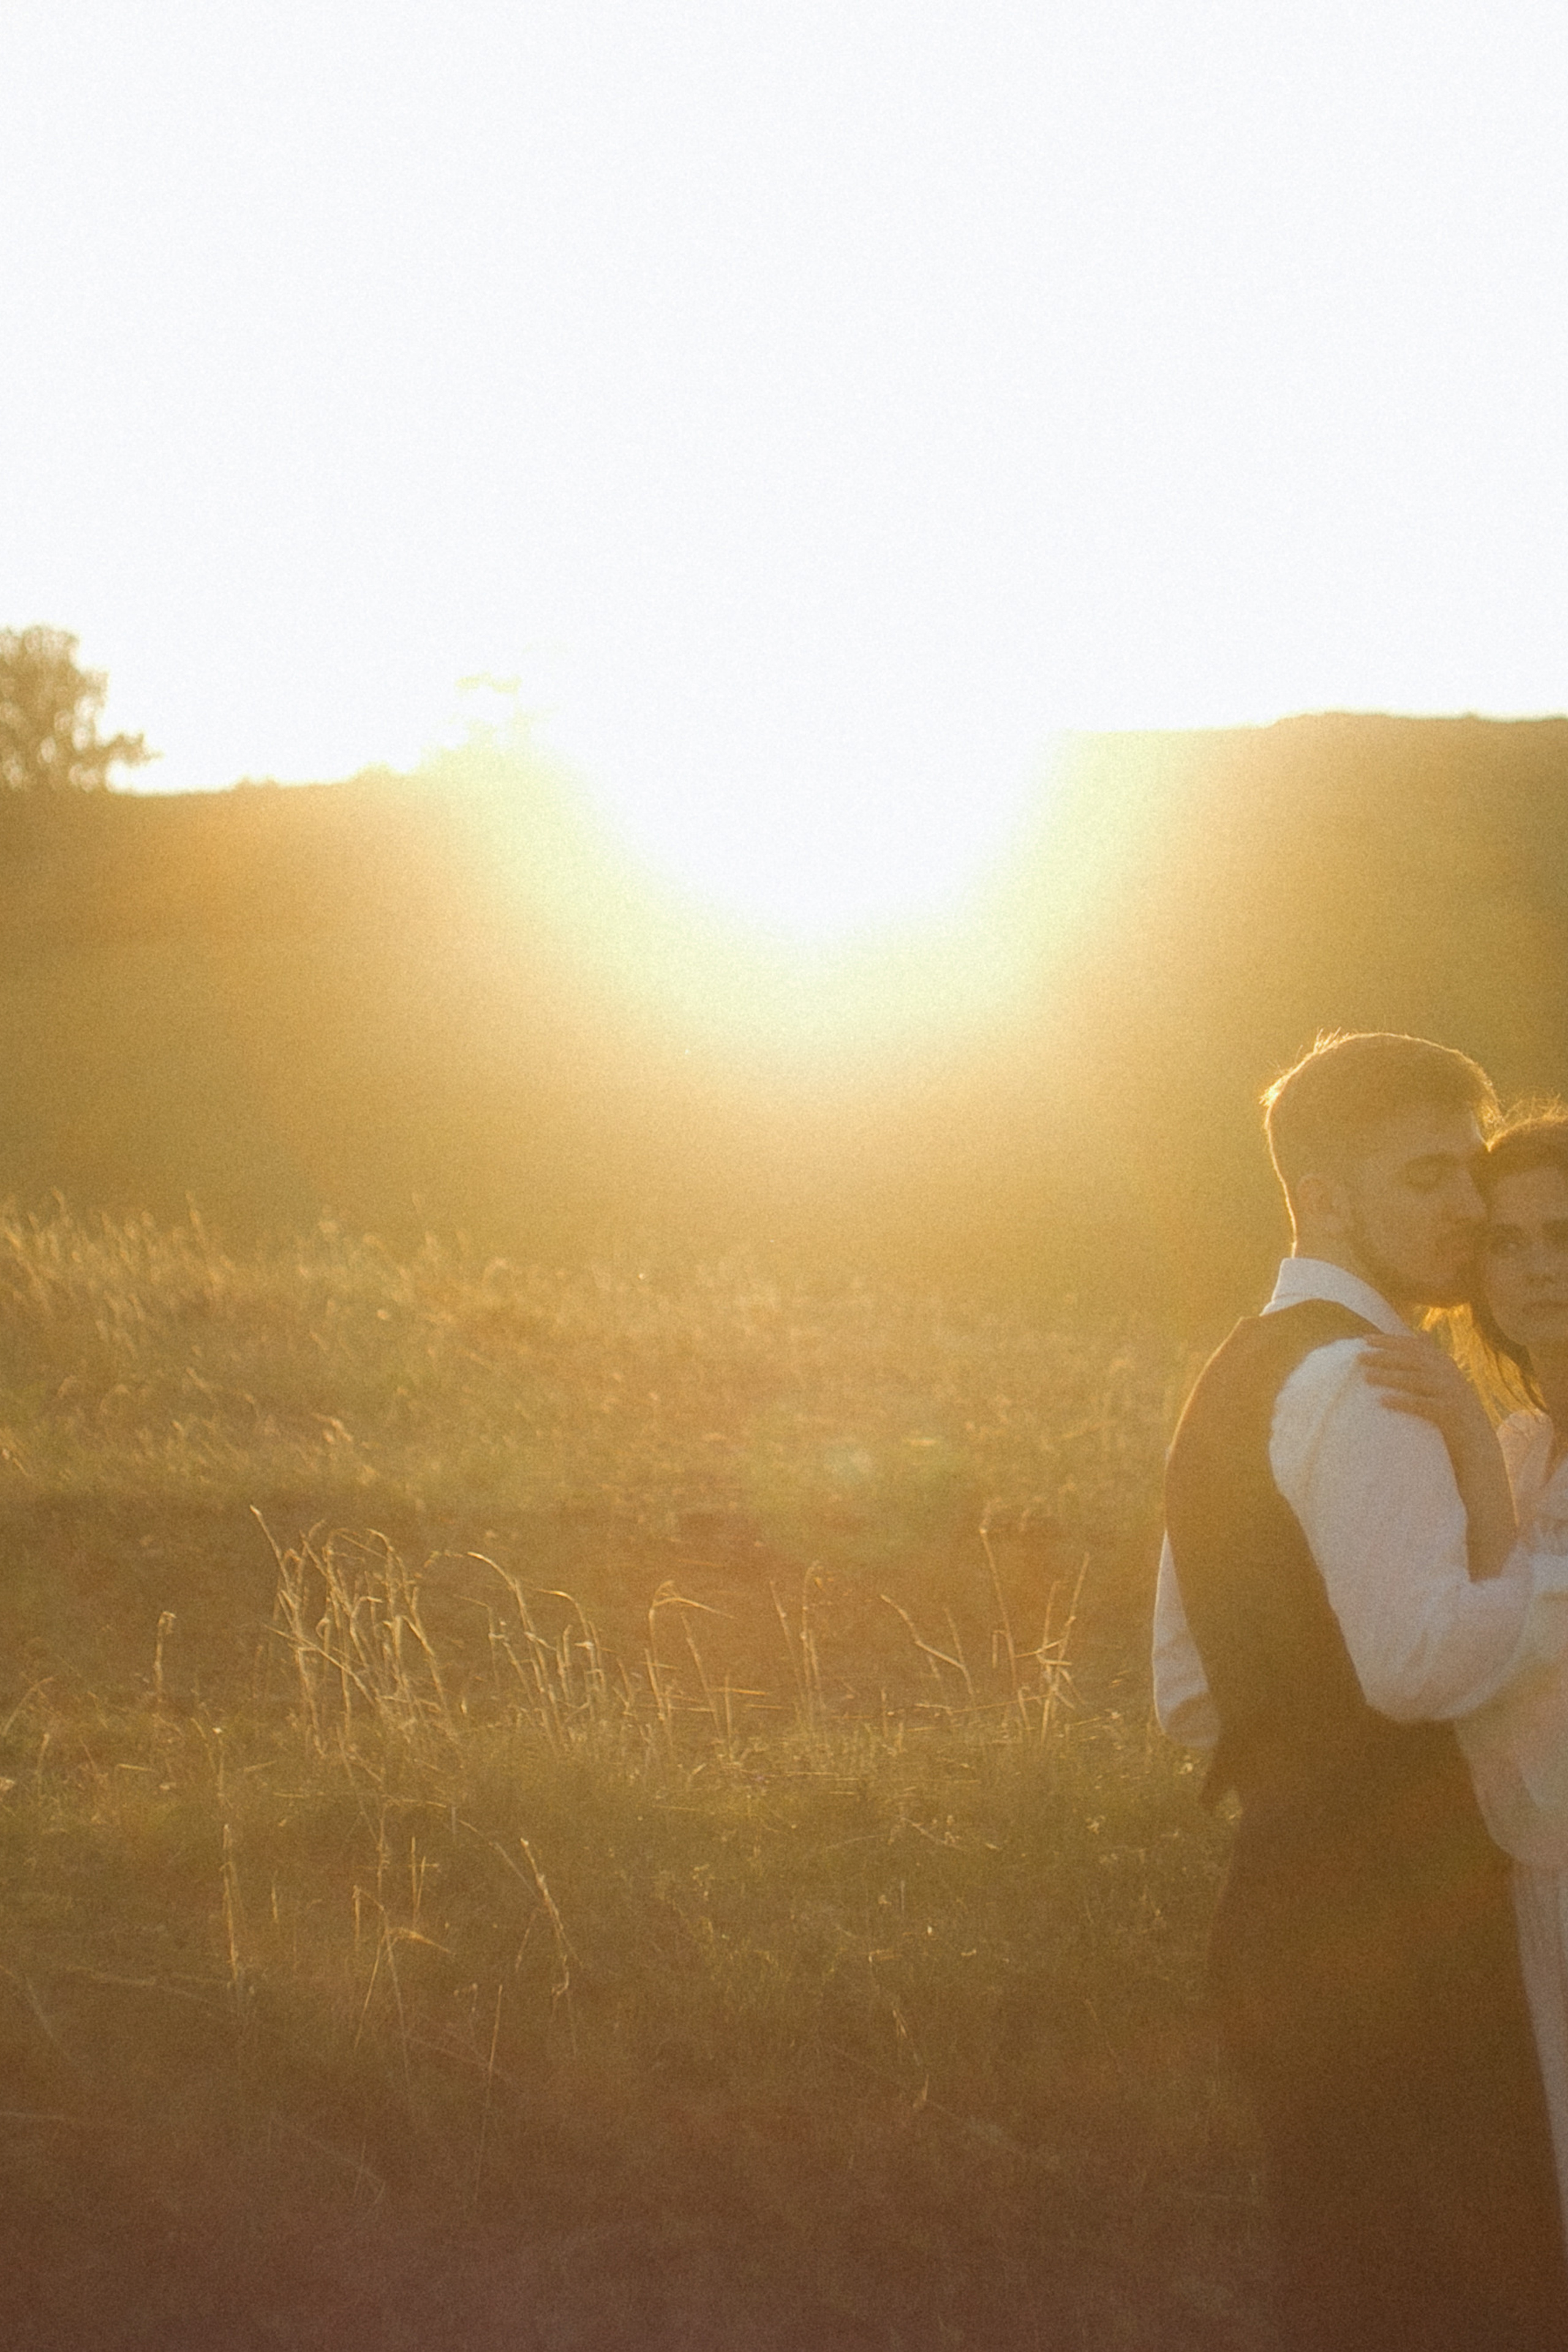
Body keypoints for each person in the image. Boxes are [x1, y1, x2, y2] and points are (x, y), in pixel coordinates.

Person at [1154, 1031, 1568, 2351]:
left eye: (1467, 1177)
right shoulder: (1373, 1383)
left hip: (1287, 1909)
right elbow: (1416, 1668)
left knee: (1347, 2287)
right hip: (1405, 1934)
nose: (1462, 1209)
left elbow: (1182, 1687)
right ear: (1324, 1194)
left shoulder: (1244, 1365)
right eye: (1428, 1178)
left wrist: (1298, 1780)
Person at [1361, 1111, 1568, 2243]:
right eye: (1509, 1240)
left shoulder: (1499, 1460)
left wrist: (1465, 1454)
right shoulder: (1528, 1449)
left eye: (1564, 1235)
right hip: (1529, 1902)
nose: (1537, 1268)